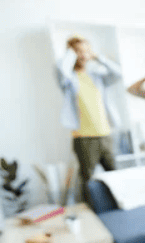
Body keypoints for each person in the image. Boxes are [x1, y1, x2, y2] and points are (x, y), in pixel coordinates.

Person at [55, 36, 122, 202]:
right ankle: (93, 211)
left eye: (86, 50)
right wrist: (72, 54)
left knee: (115, 175)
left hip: (105, 133)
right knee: (87, 179)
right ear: (71, 53)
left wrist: (98, 57)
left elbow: (118, 73)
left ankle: (118, 203)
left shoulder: (97, 75)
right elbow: (62, 69)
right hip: (83, 137)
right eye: (78, 51)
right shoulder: (68, 78)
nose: (83, 54)